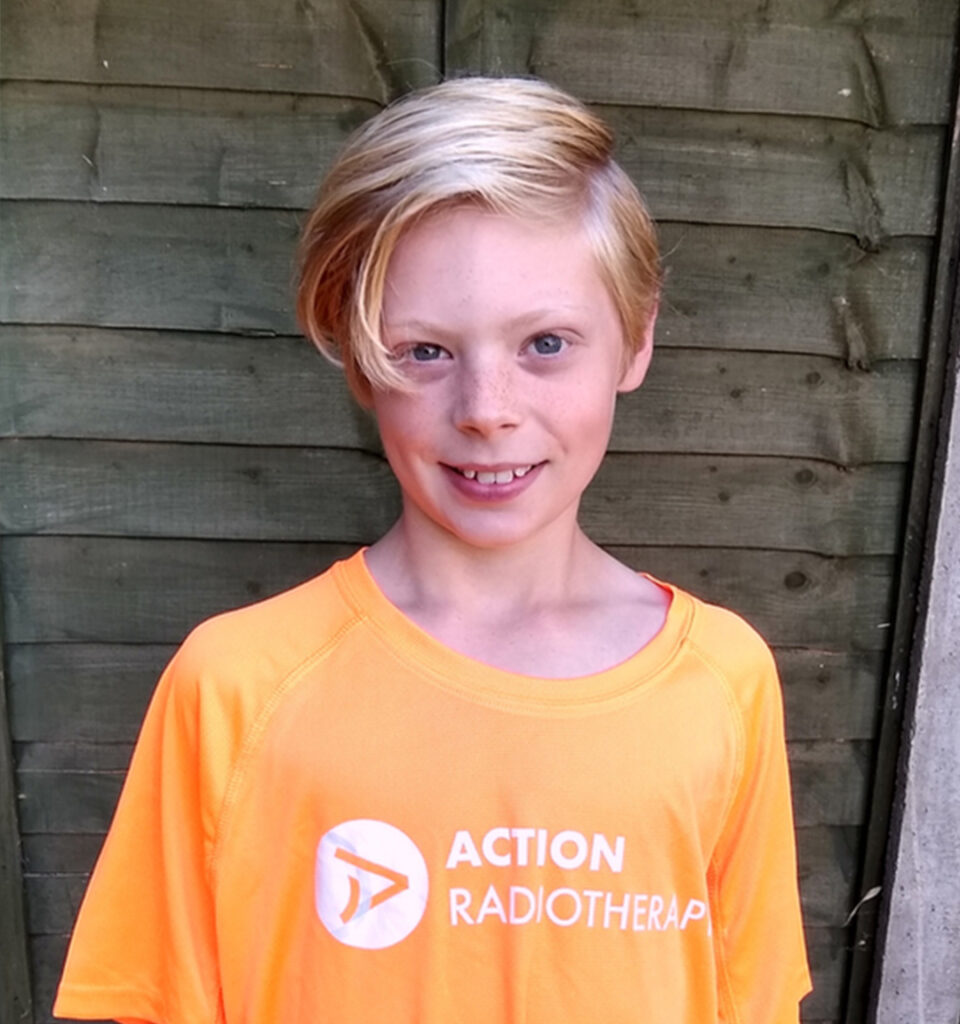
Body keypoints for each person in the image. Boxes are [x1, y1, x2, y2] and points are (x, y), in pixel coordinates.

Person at [54, 77, 811, 1023]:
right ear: (356, 352)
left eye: (545, 342)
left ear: (636, 339)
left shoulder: (725, 680)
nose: (487, 408)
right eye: (425, 351)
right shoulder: (235, 685)